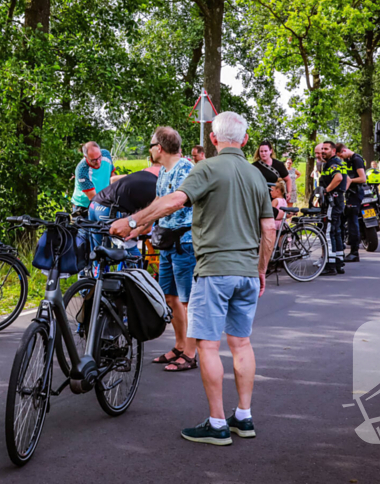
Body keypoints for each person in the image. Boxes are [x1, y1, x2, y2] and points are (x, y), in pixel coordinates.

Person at [111, 111, 275, 446]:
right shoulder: (257, 175)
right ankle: (243, 417)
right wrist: (260, 269)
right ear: (245, 140)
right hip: (246, 271)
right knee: (241, 344)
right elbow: (268, 229)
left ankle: (216, 423)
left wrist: (131, 222)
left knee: (209, 346)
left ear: (213, 140)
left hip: (214, 270)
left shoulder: (207, 168)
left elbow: (173, 201)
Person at [143, 126, 197, 372]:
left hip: (184, 243)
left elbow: (174, 203)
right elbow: (157, 202)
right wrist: (137, 225)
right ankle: (179, 345)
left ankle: (190, 353)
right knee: (170, 297)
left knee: (187, 301)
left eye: (152, 144)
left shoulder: (186, 169)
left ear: (160, 148)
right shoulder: (164, 172)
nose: (150, 149)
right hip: (166, 242)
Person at [89, 161, 160, 260]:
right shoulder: (158, 188)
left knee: (97, 251)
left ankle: (93, 273)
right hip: (110, 209)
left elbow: (113, 179)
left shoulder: (141, 174)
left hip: (94, 204)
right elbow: (146, 229)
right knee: (130, 250)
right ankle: (136, 272)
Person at [319, 141, 346, 275]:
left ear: (333, 151)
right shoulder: (338, 162)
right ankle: (339, 262)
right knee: (336, 231)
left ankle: (330, 265)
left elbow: (338, 178)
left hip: (332, 201)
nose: (323, 151)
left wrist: (326, 191)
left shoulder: (332, 163)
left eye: (326, 149)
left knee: (329, 232)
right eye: (322, 149)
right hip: (338, 200)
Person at [337, 143, 367, 262]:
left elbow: (363, 178)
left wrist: (350, 180)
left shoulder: (356, 159)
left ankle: (355, 253)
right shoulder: (349, 160)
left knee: (352, 223)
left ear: (344, 150)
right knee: (344, 220)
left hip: (356, 194)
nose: (341, 158)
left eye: (341, 155)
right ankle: (342, 248)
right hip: (350, 194)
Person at [71, 142, 115, 218]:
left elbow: (113, 177)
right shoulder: (82, 171)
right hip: (84, 206)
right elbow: (94, 198)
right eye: (94, 160)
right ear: (86, 157)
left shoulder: (106, 155)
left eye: (99, 157)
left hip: (103, 200)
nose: (98, 162)